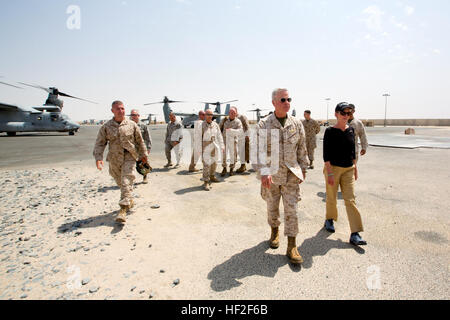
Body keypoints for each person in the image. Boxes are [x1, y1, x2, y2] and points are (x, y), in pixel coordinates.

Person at [254, 88, 309, 265]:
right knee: (272, 207)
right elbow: (258, 151)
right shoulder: (264, 124)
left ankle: (292, 245)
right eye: (283, 100)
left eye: (288, 99)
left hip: (292, 175)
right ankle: (274, 231)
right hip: (271, 175)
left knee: (292, 210)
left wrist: (304, 168)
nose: (287, 102)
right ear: (274, 103)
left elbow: (302, 147)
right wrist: (263, 171)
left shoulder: (296, 123)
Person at [93, 101, 148, 224]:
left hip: (130, 157)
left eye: (122, 108)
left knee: (126, 181)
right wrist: (98, 158)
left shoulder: (132, 125)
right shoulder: (106, 126)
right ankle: (129, 199)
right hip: (114, 159)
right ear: (112, 110)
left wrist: (144, 155)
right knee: (120, 182)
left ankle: (122, 210)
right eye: (118, 109)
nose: (121, 111)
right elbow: (100, 143)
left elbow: (140, 141)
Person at [323, 102, 367, 246]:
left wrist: (355, 167)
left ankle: (355, 233)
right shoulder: (330, 131)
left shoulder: (351, 130)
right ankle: (329, 219)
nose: (346, 116)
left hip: (348, 169)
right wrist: (329, 173)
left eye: (348, 114)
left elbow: (352, 150)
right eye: (343, 113)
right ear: (336, 114)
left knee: (350, 199)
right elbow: (326, 155)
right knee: (331, 197)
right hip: (333, 169)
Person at [202, 109, 224, 191]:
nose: (210, 116)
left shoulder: (215, 125)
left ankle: (212, 176)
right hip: (205, 145)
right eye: (208, 114)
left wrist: (222, 145)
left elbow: (219, 135)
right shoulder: (201, 125)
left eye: (211, 114)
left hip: (214, 145)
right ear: (205, 115)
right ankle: (206, 181)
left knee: (214, 163)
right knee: (206, 165)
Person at [130, 109, 152, 184]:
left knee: (143, 164)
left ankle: (145, 176)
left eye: (134, 115)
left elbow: (148, 137)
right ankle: (131, 179)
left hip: (141, 149)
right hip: (132, 149)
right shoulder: (128, 125)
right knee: (130, 164)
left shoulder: (143, 125)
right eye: (132, 115)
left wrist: (148, 148)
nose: (133, 117)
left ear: (138, 116)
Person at [220, 107, 243, 177]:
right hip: (224, 140)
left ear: (236, 114)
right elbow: (219, 128)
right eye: (231, 113)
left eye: (234, 113)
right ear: (229, 113)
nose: (232, 114)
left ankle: (231, 169)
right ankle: (224, 168)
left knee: (233, 156)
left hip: (233, 141)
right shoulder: (224, 120)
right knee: (223, 155)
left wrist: (232, 131)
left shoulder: (238, 122)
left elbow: (240, 131)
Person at [236, 108, 250, 173]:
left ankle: (243, 166)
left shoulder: (242, 117)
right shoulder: (234, 118)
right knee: (241, 152)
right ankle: (243, 166)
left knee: (243, 152)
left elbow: (247, 126)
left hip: (244, 137)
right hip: (238, 138)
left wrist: (247, 135)